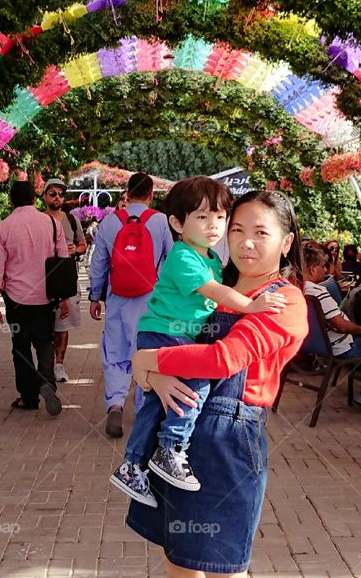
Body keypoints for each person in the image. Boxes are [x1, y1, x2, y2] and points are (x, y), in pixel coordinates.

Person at [126, 190, 308, 577]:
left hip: (229, 442)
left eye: (261, 232)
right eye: (237, 229)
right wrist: (154, 373)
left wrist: (148, 361)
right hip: (179, 438)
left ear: (287, 241)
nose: (245, 242)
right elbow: (168, 333)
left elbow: (224, 358)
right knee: (179, 559)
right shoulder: (213, 289)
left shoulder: (284, 301)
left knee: (224, 567)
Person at [110, 177, 286, 506]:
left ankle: (132, 466)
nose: (214, 226)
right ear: (177, 223)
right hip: (165, 331)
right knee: (195, 388)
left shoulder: (211, 261)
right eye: (202, 217)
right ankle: (171, 449)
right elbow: (214, 293)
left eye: (220, 217)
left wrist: (146, 369)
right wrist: (251, 305)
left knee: (156, 402)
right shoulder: (184, 257)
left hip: (172, 333)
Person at [89, 172, 173, 439]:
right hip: (152, 303)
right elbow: (172, 261)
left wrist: (94, 297)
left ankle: (115, 404)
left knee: (115, 353)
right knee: (146, 353)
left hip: (117, 299)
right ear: (151, 194)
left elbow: (98, 264)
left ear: (127, 192)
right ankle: (142, 410)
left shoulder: (110, 222)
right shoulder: (160, 221)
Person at [0, 180, 69, 417]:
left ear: (11, 201)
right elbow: (63, 262)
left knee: (20, 347)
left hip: (16, 298)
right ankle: (47, 381)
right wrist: (64, 298)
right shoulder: (53, 224)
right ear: (35, 199)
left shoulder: (2, 228)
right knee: (45, 342)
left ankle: (28, 397)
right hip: (46, 297)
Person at [294, 242, 361, 416]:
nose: (325, 271)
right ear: (311, 269)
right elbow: (341, 326)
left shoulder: (296, 290)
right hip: (341, 347)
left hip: (317, 345)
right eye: (322, 266)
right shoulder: (318, 292)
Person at [41, 178, 87, 383]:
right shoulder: (38, 219)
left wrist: (75, 250)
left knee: (63, 324)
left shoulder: (71, 219)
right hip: (41, 279)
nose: (57, 197)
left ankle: (58, 364)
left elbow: (83, 245)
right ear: (44, 196)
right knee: (44, 325)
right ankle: (45, 364)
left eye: (60, 194)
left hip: (66, 277)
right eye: (53, 193)